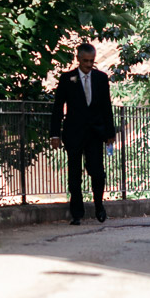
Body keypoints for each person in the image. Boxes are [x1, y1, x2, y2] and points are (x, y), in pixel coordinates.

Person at [49, 43, 116, 225]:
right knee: (74, 173)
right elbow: (57, 108)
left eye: (91, 61)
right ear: (78, 59)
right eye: (85, 61)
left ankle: (99, 206)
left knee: (97, 172)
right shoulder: (66, 78)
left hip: (95, 133)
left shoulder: (101, 78)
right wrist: (54, 134)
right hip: (73, 132)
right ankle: (76, 212)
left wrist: (110, 132)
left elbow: (106, 106)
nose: (88, 64)